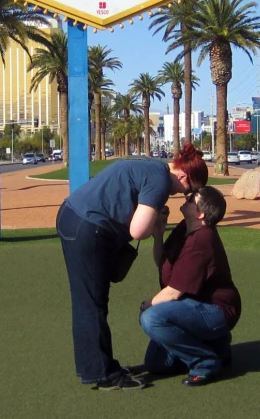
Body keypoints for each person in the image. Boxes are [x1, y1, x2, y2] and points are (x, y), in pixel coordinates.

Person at [56, 148, 208, 391]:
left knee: (89, 302)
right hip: (88, 228)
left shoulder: (152, 166)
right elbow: (139, 231)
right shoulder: (159, 182)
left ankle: (95, 367)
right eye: (188, 190)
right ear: (183, 177)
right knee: (92, 304)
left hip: (73, 217)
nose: (184, 195)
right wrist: (156, 217)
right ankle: (104, 374)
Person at [139, 185, 241, 387]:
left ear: (201, 214)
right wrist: (158, 234)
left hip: (217, 310)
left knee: (152, 318)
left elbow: (173, 292)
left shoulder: (201, 240)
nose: (188, 197)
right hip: (192, 305)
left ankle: (205, 362)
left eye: (194, 197)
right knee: (156, 364)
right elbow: (162, 263)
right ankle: (217, 346)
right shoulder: (185, 228)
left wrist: (146, 305)